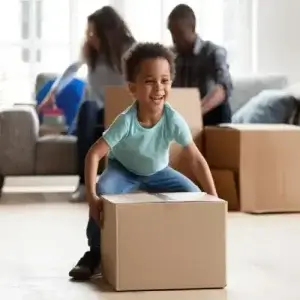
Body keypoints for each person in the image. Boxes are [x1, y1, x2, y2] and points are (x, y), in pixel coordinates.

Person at [68, 42, 218, 281]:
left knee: (194, 195)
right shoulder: (125, 121)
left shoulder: (173, 120)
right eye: (149, 81)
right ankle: (94, 252)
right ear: (132, 88)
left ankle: (186, 247)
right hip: (123, 170)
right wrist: (92, 197)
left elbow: (196, 159)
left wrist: (213, 196)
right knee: (105, 191)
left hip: (159, 172)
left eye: (165, 80)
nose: (158, 88)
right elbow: (94, 154)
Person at [37, 6, 136, 202]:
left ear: (107, 33)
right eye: (88, 32)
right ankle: (84, 185)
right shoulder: (91, 52)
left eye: (93, 32)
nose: (89, 37)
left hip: (121, 111)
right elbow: (72, 69)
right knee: (87, 108)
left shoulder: (129, 50)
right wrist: (53, 92)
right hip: (95, 113)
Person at [167, 4, 233, 126]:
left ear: (192, 28)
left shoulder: (213, 52)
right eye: (172, 34)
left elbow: (224, 87)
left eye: (179, 34)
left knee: (221, 106)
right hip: (182, 115)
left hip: (209, 115)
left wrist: (196, 112)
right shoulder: (171, 56)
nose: (175, 40)